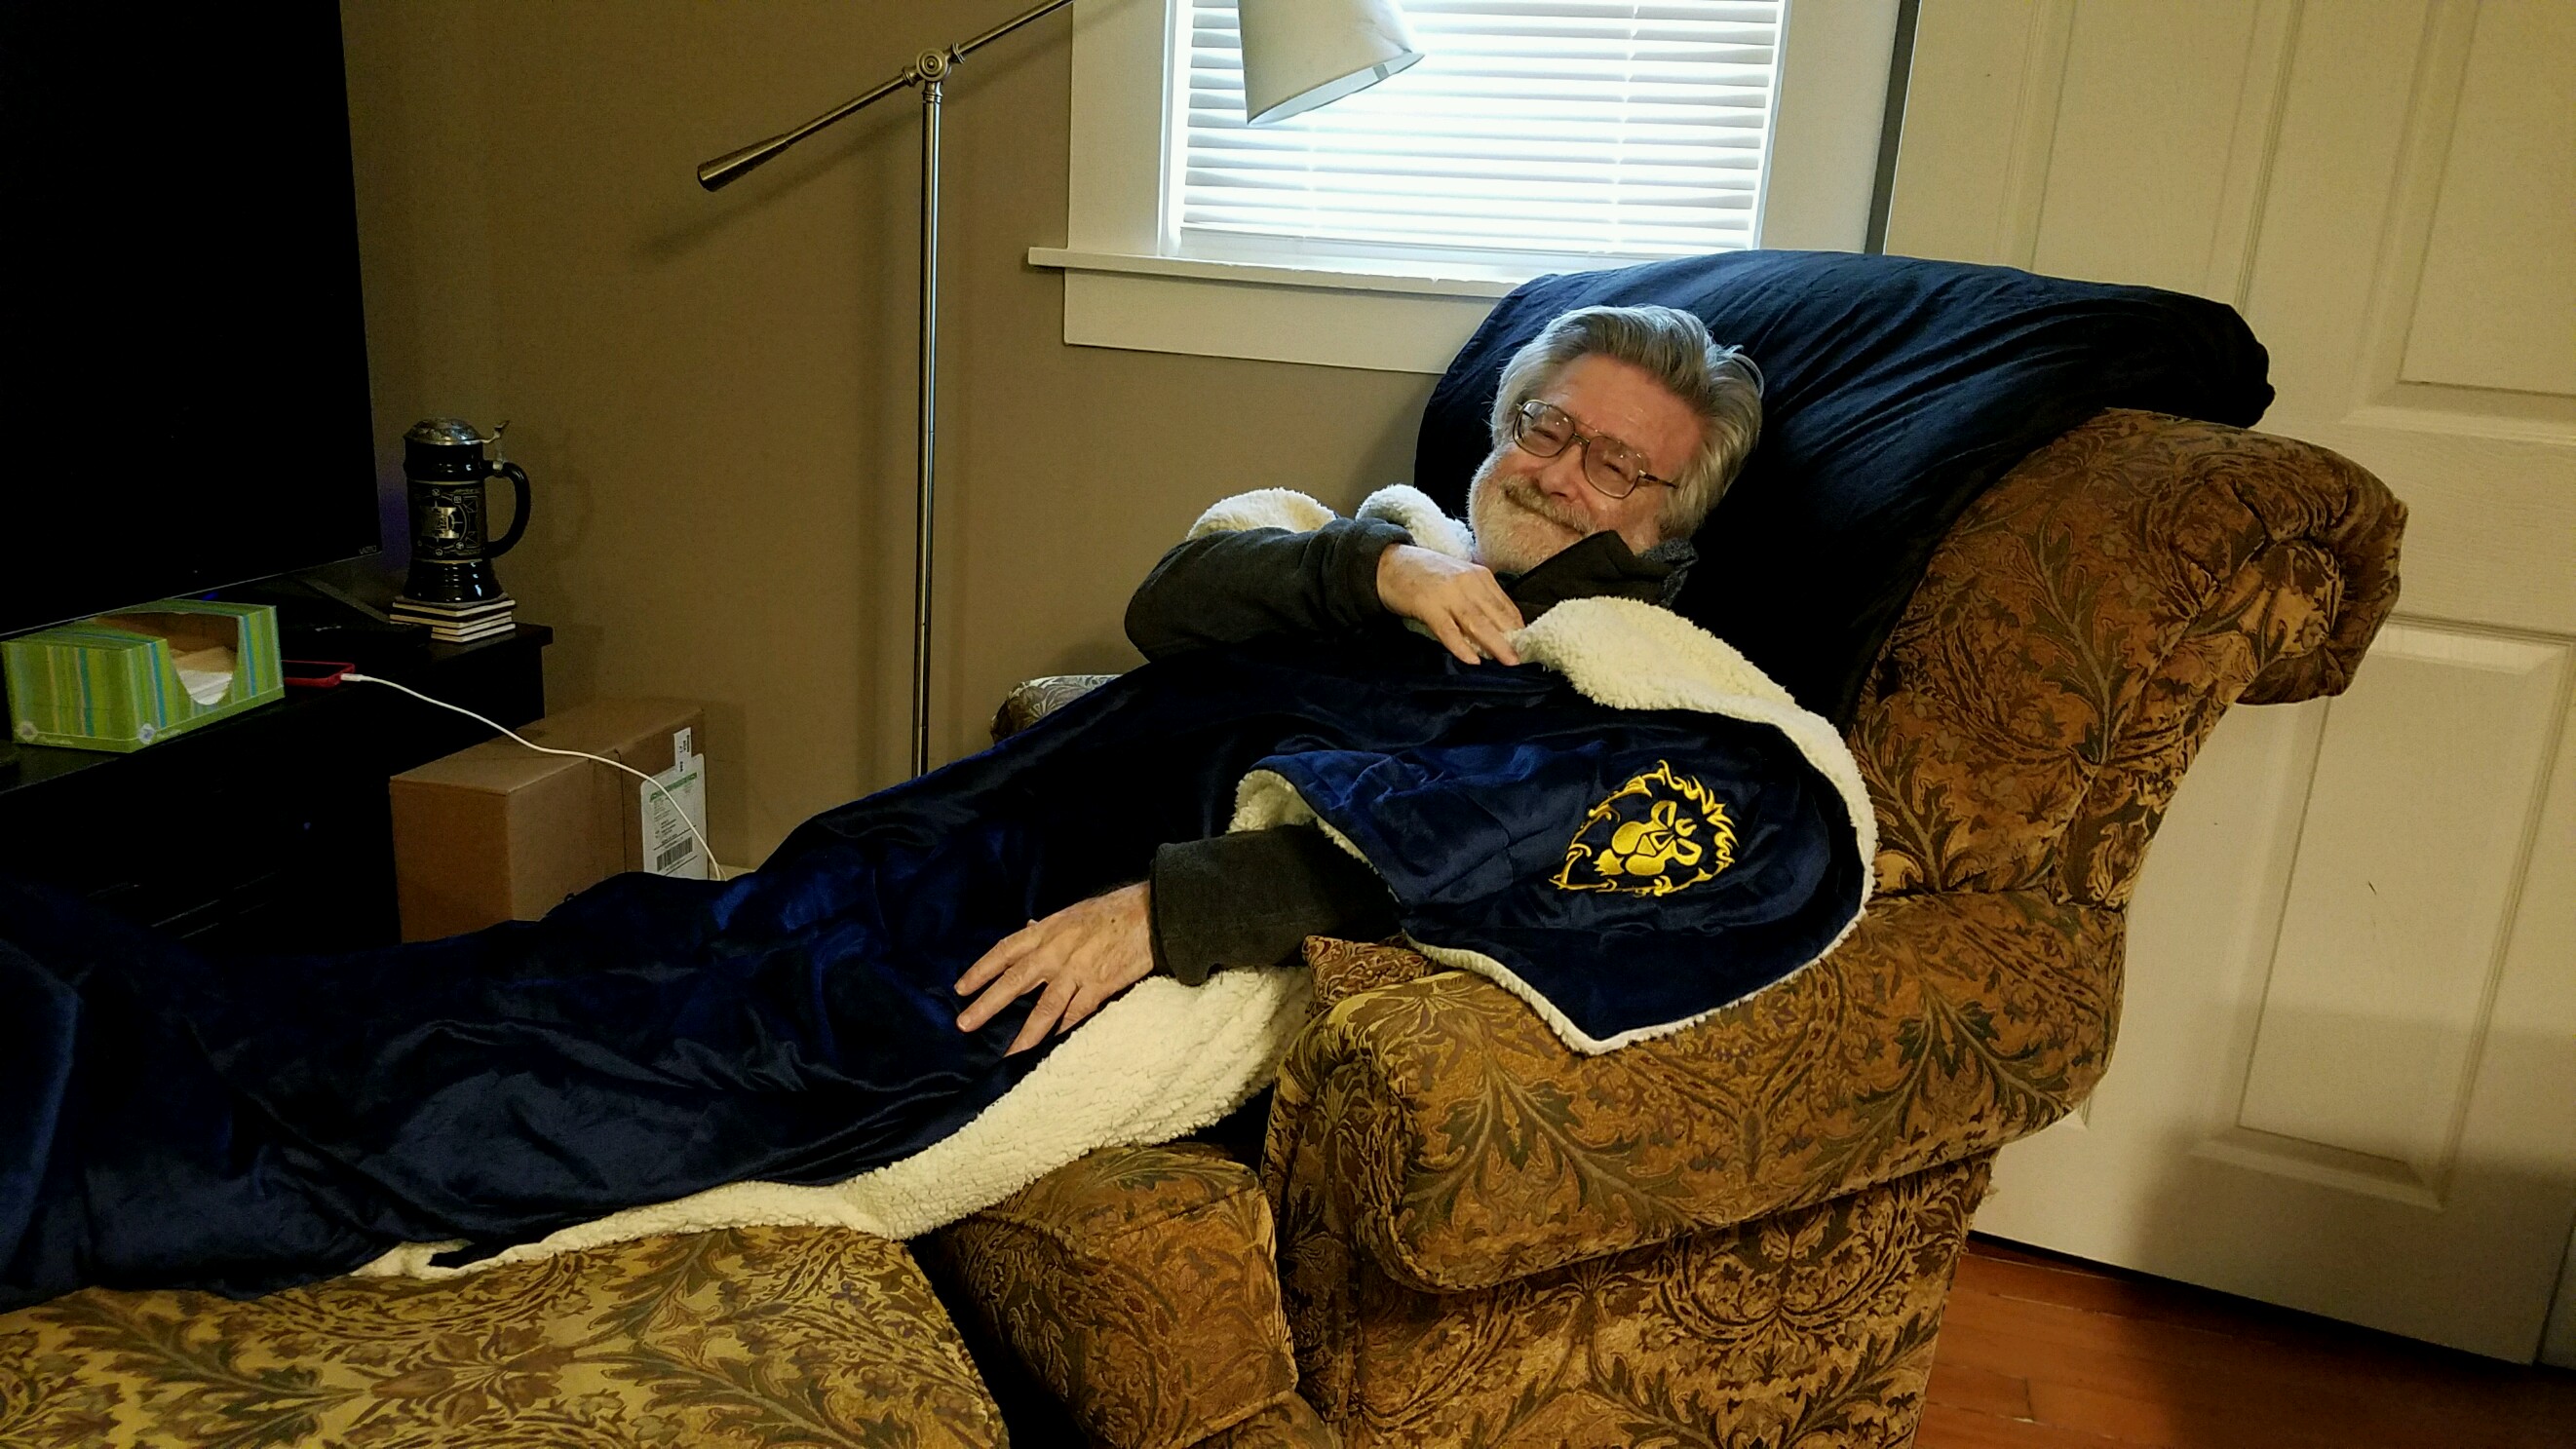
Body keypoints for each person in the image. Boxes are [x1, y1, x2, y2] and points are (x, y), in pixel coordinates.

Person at [954, 304, 1764, 1054]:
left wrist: (1162, 913)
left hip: (1139, 935)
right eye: (1546, 427)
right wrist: (1380, 569)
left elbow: (1447, 854)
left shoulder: (1623, 694)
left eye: (1614, 465)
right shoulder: (1397, 547)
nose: (1555, 476)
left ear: (1667, 524)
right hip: (1004, 831)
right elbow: (1163, 609)